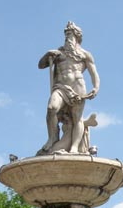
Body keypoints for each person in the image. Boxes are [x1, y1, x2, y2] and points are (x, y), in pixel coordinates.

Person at [37, 22, 100, 155]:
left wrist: (96, 87)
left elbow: (94, 73)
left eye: (69, 34)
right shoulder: (58, 53)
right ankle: (52, 137)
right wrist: (48, 55)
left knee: (77, 118)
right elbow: (41, 65)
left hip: (78, 87)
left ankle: (75, 148)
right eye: (65, 34)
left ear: (76, 36)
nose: (66, 37)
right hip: (60, 87)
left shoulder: (85, 54)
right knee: (51, 108)